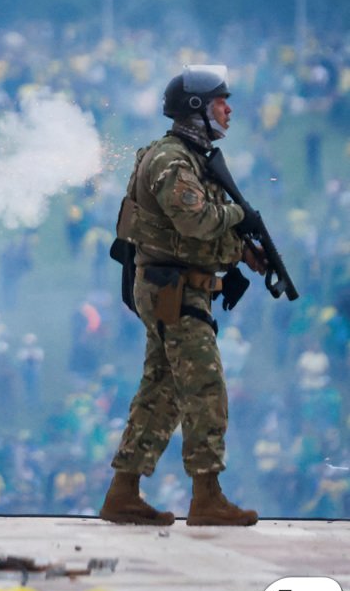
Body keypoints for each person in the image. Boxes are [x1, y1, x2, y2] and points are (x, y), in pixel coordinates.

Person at [100, 66, 265, 527]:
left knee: (163, 390)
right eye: (219, 102)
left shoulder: (191, 157)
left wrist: (241, 251)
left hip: (173, 287)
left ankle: (124, 491)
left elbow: (189, 232)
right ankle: (207, 496)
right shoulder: (173, 161)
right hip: (174, 289)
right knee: (205, 389)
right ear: (196, 109)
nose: (228, 110)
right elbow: (195, 222)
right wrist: (240, 214)